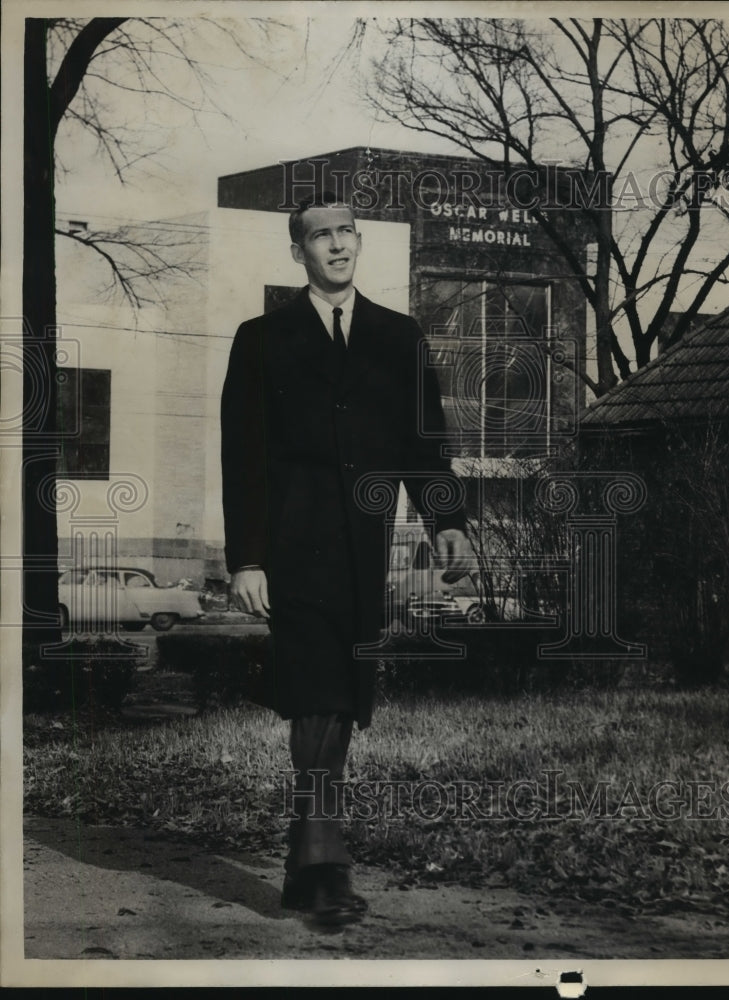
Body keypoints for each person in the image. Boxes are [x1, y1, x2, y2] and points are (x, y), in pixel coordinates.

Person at [221, 192, 470, 926]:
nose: (335, 245)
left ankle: (306, 862)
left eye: (345, 232)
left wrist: (446, 522)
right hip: (293, 554)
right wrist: (247, 561)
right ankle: (325, 867)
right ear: (298, 252)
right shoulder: (262, 338)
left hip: (365, 551)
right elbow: (244, 459)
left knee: (344, 701)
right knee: (318, 695)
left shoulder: (400, 338)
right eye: (318, 236)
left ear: (359, 243)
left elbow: (424, 447)